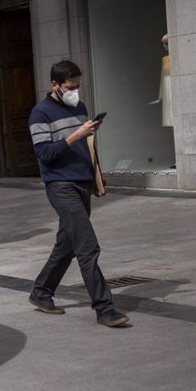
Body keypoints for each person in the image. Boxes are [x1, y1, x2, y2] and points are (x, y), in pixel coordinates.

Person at [27, 59, 129, 328]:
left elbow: (87, 147)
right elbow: (45, 154)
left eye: (78, 86)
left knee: (68, 245)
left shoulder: (80, 107)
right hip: (60, 186)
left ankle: (40, 292)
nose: (75, 92)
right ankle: (105, 308)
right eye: (70, 87)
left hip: (82, 182)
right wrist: (77, 134)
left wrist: (96, 176)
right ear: (55, 85)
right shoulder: (40, 114)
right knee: (87, 245)